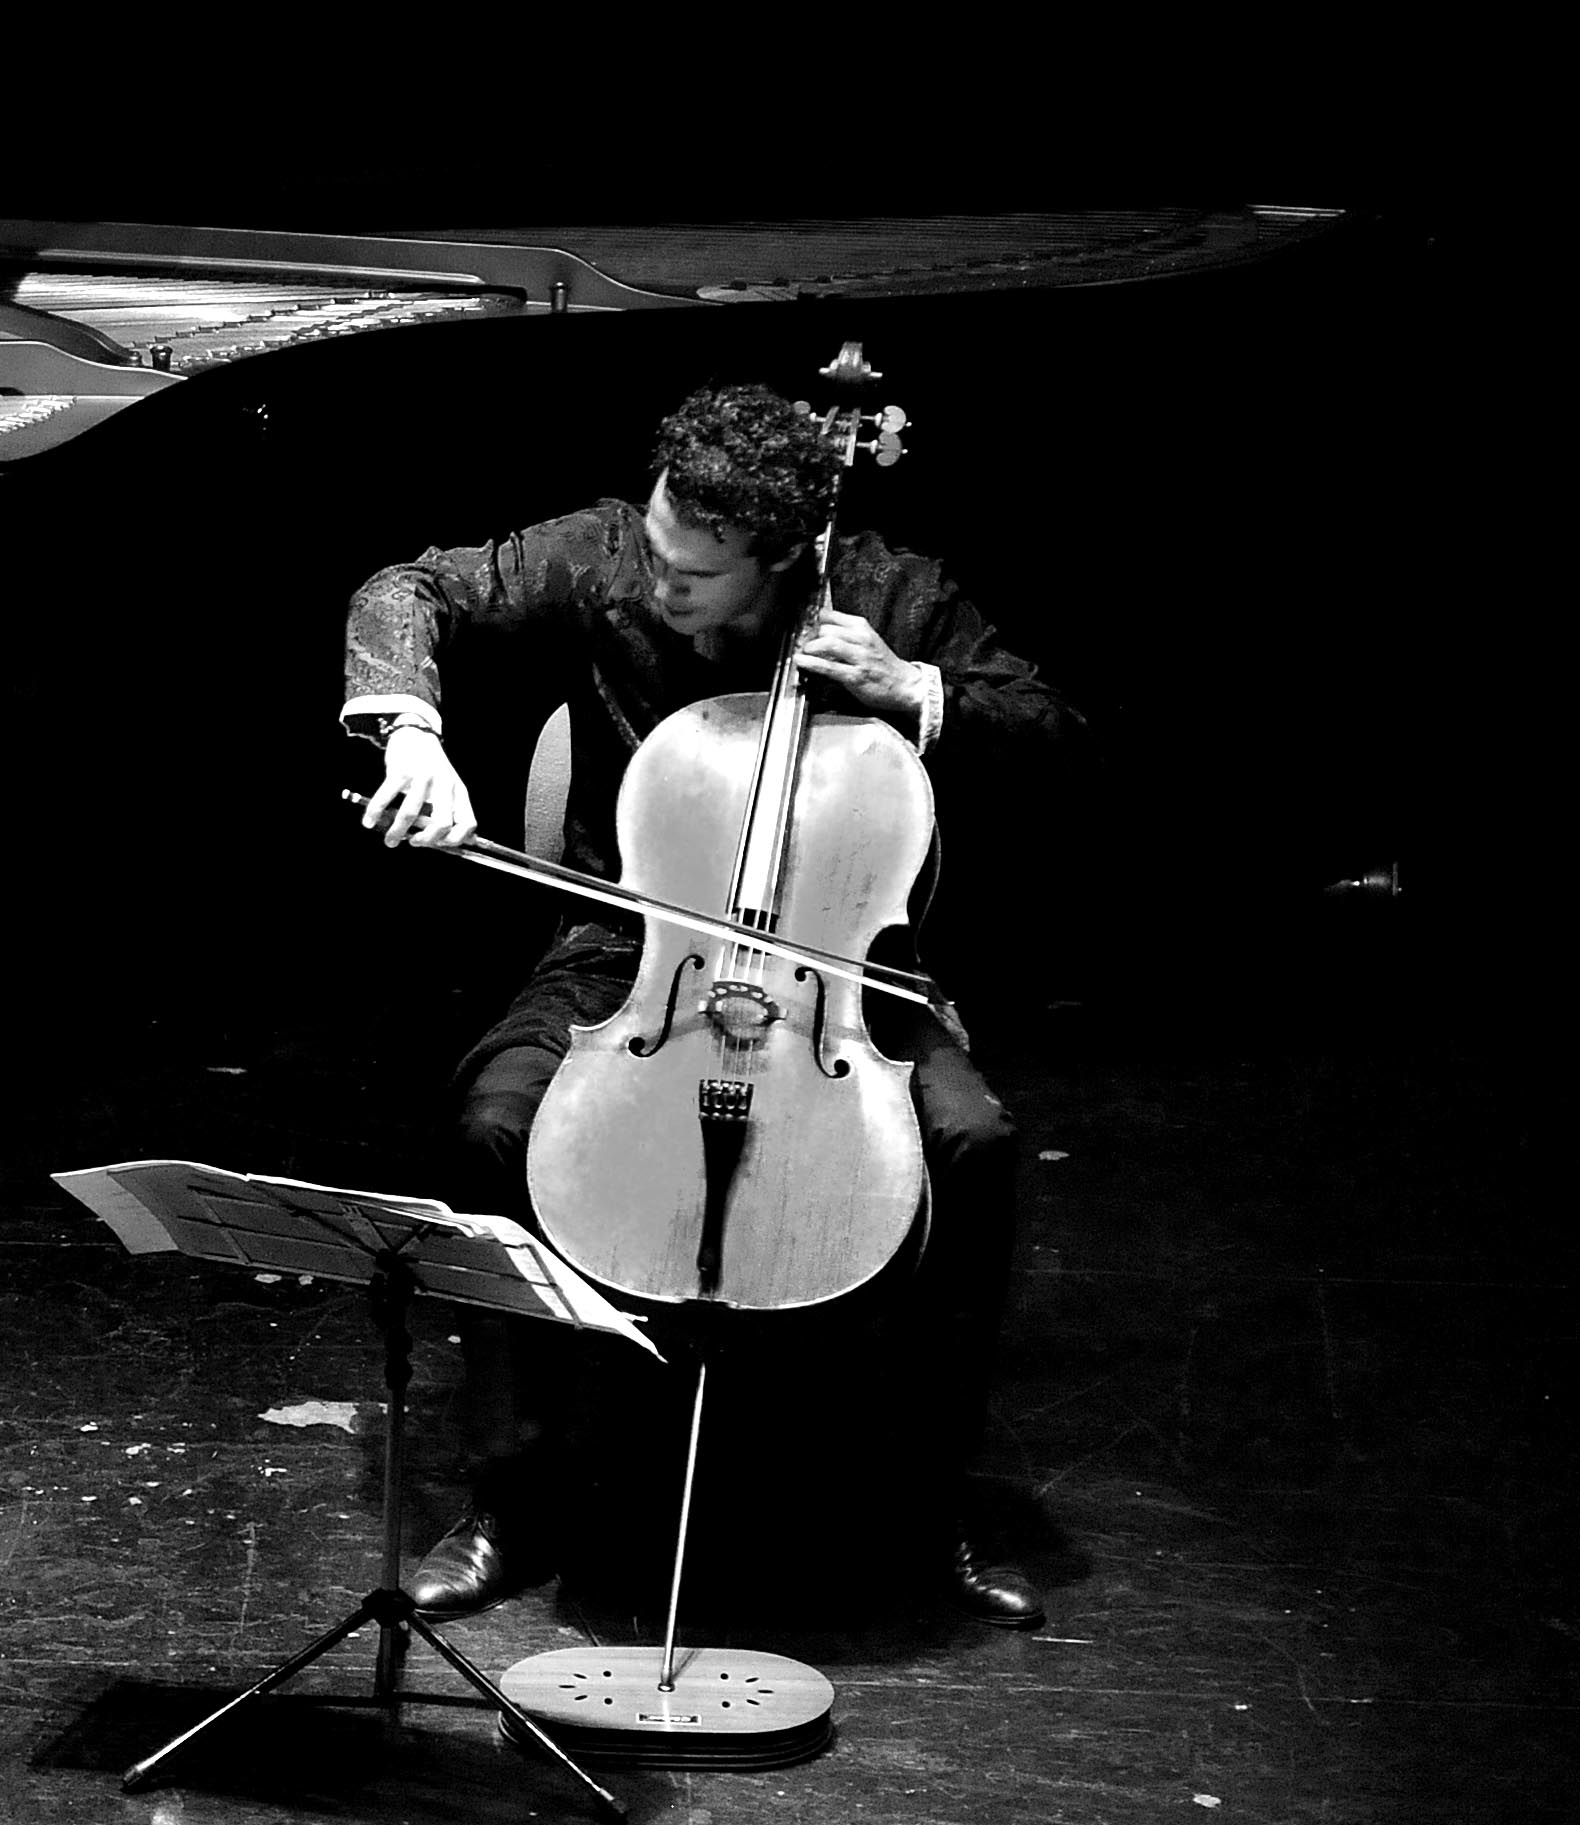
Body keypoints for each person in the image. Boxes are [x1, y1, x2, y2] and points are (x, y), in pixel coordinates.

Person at [344, 381, 1079, 1626]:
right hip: (631, 942)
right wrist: (410, 731)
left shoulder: (893, 593)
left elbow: (1058, 735)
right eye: (659, 547)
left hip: (841, 970)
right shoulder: (607, 548)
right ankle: (513, 1495)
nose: (663, 583)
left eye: (701, 572)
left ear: (783, 555)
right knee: (492, 1124)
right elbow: (400, 589)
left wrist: (913, 691)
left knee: (971, 1144)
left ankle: (918, 1498)